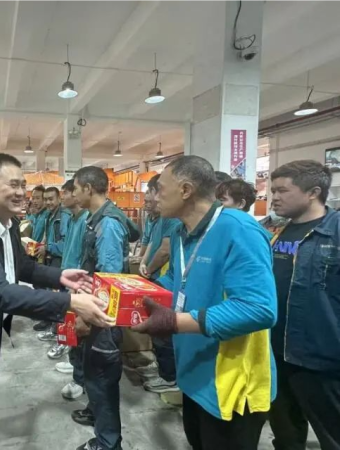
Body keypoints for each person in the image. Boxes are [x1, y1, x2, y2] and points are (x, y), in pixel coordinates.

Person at [0, 153, 114, 450]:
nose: (21, 192)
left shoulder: (7, 224)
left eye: (23, 185)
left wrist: (60, 276)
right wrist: (71, 303)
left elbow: (21, 266)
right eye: (13, 185)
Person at [132, 155, 277, 450]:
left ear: (186, 190)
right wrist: (131, 297)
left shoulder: (239, 229)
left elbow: (258, 309)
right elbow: (175, 281)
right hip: (194, 372)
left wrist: (174, 322)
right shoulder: (180, 232)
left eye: (160, 189)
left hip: (230, 382)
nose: (154, 197)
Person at [267, 160, 340, 450]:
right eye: (273, 190)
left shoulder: (335, 233)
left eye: (282, 190)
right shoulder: (274, 231)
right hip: (275, 350)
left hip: (320, 356)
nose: (274, 197)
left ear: (313, 192)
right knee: (285, 434)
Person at [72, 166, 140, 450]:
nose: (74, 194)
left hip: (102, 315)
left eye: (76, 189)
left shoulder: (108, 224)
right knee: (92, 370)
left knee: (102, 376)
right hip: (94, 309)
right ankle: (95, 411)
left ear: (88, 189)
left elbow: (108, 281)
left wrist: (88, 318)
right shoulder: (96, 219)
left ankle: (108, 443)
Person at [139, 174, 181, 395]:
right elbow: (151, 245)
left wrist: (149, 270)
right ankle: (162, 367)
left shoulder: (173, 219)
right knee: (157, 328)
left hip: (166, 282)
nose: (152, 198)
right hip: (162, 280)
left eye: (154, 192)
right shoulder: (161, 217)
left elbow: (165, 251)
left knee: (163, 329)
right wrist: (143, 264)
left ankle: (169, 377)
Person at [55, 179, 90, 401]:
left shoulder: (87, 221)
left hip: (77, 285)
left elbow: (84, 258)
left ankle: (80, 378)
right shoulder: (72, 219)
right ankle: (74, 363)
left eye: (67, 192)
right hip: (67, 279)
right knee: (69, 328)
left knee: (79, 330)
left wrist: (77, 289)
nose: (63, 197)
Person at [35, 186, 72, 339]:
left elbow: (65, 244)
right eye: (46, 199)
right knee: (51, 294)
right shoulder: (50, 216)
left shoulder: (64, 217)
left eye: (51, 199)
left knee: (59, 298)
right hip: (51, 259)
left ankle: (58, 333)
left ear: (59, 198)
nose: (48, 202)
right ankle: (53, 327)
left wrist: (48, 248)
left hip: (60, 261)